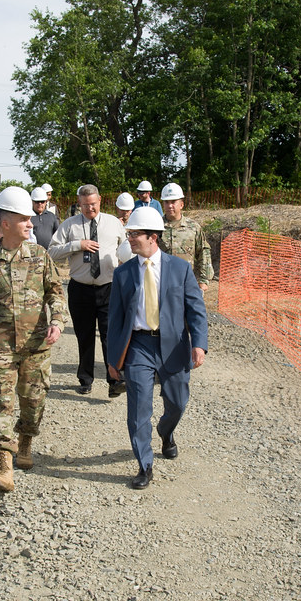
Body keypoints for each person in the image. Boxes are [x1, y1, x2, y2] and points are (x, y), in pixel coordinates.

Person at [0, 187, 68, 493]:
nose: (31, 224)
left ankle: (25, 441)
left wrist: (57, 321)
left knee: (33, 403)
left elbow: (56, 291)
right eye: (25, 219)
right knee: (2, 403)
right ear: (6, 223)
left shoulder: (40, 256)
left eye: (31, 219)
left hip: (37, 345)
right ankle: (4, 467)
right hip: (0, 346)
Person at [107, 207, 208, 490]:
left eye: (135, 234)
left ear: (153, 237)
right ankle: (145, 465)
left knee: (177, 402)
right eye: (129, 234)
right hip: (139, 345)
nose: (130, 239)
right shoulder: (124, 273)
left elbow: (196, 310)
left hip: (173, 345)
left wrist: (199, 344)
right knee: (138, 407)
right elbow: (114, 320)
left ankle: (166, 432)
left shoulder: (180, 268)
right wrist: (113, 359)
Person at [48, 184, 127, 398]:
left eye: (92, 204)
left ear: (100, 200)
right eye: (84, 206)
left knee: (110, 336)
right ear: (79, 204)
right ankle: (85, 379)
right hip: (80, 289)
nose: (89, 209)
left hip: (109, 288)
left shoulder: (113, 223)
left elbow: (128, 248)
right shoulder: (69, 225)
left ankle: (114, 380)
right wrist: (76, 245)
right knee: (84, 336)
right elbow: (51, 252)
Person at [159, 182, 214, 292]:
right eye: (166, 202)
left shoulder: (193, 227)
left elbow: (203, 251)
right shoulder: (156, 226)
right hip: (160, 282)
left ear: (181, 204)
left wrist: (203, 280)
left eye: (173, 202)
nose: (170, 206)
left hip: (186, 282)